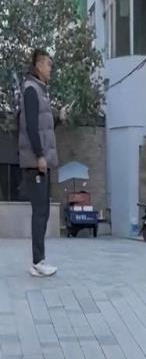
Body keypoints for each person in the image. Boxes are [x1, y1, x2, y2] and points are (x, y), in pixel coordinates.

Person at [18, 49, 68, 277]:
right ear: (38, 66)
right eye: (48, 65)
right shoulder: (31, 90)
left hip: (41, 162)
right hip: (35, 162)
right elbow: (30, 126)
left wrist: (58, 118)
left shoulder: (40, 91)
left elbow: (43, 127)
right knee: (40, 212)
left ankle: (40, 260)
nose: (51, 69)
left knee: (43, 212)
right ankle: (37, 262)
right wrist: (39, 155)